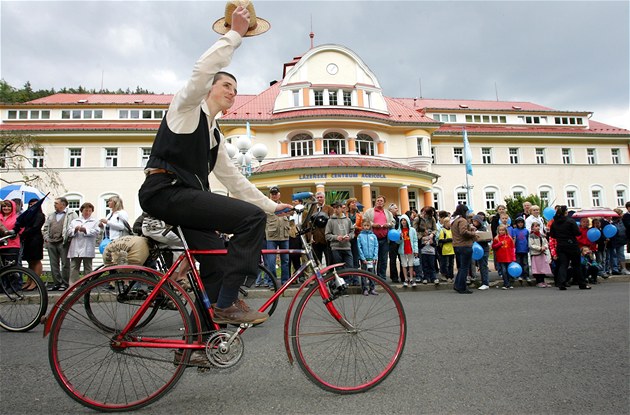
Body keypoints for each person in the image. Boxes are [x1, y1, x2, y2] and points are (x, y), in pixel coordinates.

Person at [137, 4, 291, 326]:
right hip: (164, 191)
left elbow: (233, 179)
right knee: (249, 220)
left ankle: (201, 342)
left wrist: (270, 207)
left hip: (183, 199)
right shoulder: (185, 109)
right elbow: (202, 70)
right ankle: (228, 304)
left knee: (216, 264)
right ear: (210, 88)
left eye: (235, 90)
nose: (232, 94)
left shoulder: (214, 133)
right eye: (226, 86)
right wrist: (235, 33)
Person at [549, 205, 590, 290]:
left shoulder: (554, 222)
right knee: (576, 265)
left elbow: (552, 234)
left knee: (563, 265)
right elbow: (577, 233)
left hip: (561, 245)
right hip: (572, 245)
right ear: (565, 212)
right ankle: (582, 284)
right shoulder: (570, 221)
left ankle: (561, 283)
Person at [42, 197, 78, 291]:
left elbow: (74, 226)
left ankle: (65, 283)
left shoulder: (71, 214)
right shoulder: (51, 215)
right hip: (51, 242)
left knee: (65, 263)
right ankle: (57, 283)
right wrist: (46, 238)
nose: (54, 205)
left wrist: (68, 239)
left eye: (56, 203)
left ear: (63, 204)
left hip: (63, 242)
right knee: (54, 263)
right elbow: (45, 228)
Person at [362, 195, 395, 280]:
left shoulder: (388, 213)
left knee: (383, 259)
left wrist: (388, 224)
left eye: (381, 201)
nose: (379, 202)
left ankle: (382, 277)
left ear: (384, 203)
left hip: (384, 239)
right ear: (375, 202)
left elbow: (393, 222)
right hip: (372, 239)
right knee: (372, 259)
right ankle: (372, 277)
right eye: (378, 200)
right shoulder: (369, 211)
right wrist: (373, 224)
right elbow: (364, 220)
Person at [67, 202, 100, 284]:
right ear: (82, 211)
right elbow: (68, 232)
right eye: (86, 210)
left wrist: (85, 230)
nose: (87, 212)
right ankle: (73, 284)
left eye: (89, 211)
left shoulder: (95, 221)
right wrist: (75, 230)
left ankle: (87, 284)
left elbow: (97, 232)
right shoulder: (75, 221)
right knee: (74, 267)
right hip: (76, 247)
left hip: (87, 247)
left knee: (88, 267)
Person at [263, 187, 290, 285]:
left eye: (276, 193)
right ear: (270, 195)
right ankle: (272, 282)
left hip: (284, 236)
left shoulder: (284, 206)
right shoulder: (266, 207)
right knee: (271, 262)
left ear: (279, 194)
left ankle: (285, 282)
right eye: (272, 193)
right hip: (271, 237)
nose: (274, 195)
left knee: (285, 261)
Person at [20, 198, 46, 290]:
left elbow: (35, 227)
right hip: (27, 239)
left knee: (36, 260)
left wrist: (23, 233)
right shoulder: (28, 215)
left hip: (35, 240)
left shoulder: (40, 215)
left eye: (34, 204)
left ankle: (35, 282)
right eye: (30, 204)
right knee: (30, 261)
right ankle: (29, 280)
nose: (32, 206)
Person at [450, 204, 476, 294]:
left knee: (461, 267)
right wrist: (473, 233)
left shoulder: (454, 220)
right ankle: (462, 287)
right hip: (464, 245)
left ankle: (457, 285)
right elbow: (463, 232)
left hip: (456, 245)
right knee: (464, 267)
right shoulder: (462, 220)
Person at [324, 201, 354, 269]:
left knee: (350, 267)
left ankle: (348, 280)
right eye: (334, 208)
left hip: (347, 247)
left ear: (341, 208)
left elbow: (352, 232)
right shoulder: (330, 221)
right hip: (335, 248)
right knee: (339, 268)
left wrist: (349, 237)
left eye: (337, 207)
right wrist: (336, 237)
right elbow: (327, 235)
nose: (335, 209)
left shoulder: (347, 220)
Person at [309, 191, 334, 266]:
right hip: (315, 239)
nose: (319, 199)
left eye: (321, 197)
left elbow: (331, 222)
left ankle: (330, 276)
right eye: (318, 197)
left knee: (329, 259)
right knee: (316, 260)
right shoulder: (312, 209)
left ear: (324, 198)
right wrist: (310, 237)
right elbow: (309, 224)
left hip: (326, 238)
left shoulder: (329, 208)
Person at [357, 220, 378, 296]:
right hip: (364, 259)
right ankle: (364, 289)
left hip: (372, 258)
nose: (366, 227)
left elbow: (376, 246)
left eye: (367, 226)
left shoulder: (373, 236)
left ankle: (372, 288)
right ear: (362, 226)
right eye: (364, 225)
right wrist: (362, 258)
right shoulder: (360, 236)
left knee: (372, 273)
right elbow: (359, 247)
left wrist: (375, 257)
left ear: (370, 226)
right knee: (364, 274)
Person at [396, 214, 418, 287]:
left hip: (410, 249)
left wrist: (416, 250)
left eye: (404, 220)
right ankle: (406, 279)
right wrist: (400, 237)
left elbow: (415, 240)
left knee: (411, 264)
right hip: (403, 249)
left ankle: (411, 279)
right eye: (402, 220)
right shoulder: (399, 231)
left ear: (407, 221)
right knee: (404, 264)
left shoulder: (412, 230)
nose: (403, 222)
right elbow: (397, 242)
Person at [528, 222, 552, 287]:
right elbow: (531, 245)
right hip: (536, 254)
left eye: (538, 226)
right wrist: (539, 248)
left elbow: (546, 242)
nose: (537, 228)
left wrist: (545, 247)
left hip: (542, 253)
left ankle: (543, 281)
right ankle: (539, 281)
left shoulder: (542, 235)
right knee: (537, 269)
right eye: (536, 226)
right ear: (532, 228)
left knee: (543, 268)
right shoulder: (531, 236)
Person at [493, 224, 516, 289]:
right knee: (504, 271)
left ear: (505, 231)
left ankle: (509, 283)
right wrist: (500, 244)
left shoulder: (509, 238)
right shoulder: (496, 238)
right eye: (500, 230)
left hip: (509, 257)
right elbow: (494, 247)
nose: (501, 231)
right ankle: (506, 283)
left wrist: (513, 256)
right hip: (501, 258)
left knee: (509, 271)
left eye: (503, 230)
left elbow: (512, 248)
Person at [471, 214, 491, 290]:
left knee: (483, 266)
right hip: (475, 250)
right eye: (473, 221)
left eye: (475, 221)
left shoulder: (484, 228)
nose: (474, 222)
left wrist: (479, 235)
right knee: (479, 265)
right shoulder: (471, 228)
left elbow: (488, 238)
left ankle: (485, 283)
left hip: (483, 249)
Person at [511, 217, 531, 284]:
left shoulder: (526, 230)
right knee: (518, 263)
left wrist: (528, 247)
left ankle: (526, 275)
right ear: (516, 224)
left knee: (525, 263)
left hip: (524, 249)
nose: (520, 224)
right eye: (518, 223)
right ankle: (519, 275)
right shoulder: (514, 230)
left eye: (521, 222)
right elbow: (513, 240)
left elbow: (528, 239)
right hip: (517, 249)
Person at [437, 218, 454, 283]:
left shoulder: (452, 230)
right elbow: (440, 240)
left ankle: (451, 276)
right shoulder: (443, 231)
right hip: (445, 250)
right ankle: (446, 275)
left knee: (451, 264)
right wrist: (449, 240)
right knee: (446, 264)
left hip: (451, 250)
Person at [387, 203, 401, 283]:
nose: (397, 209)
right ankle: (394, 276)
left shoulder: (399, 218)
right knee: (392, 259)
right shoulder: (388, 218)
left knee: (401, 258)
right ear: (390, 210)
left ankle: (402, 276)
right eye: (395, 208)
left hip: (399, 240)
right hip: (391, 241)